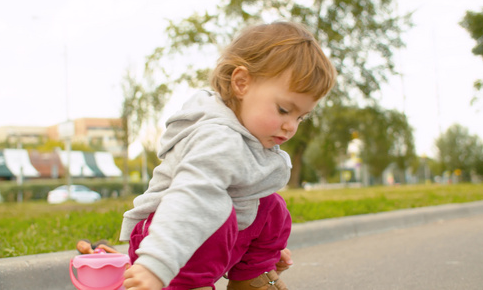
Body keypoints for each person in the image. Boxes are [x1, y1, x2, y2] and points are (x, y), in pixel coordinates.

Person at [120, 21, 336, 290]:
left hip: (210, 241)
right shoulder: (218, 137)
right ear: (241, 83)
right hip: (166, 239)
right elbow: (192, 197)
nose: (290, 126)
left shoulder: (252, 139)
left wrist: (260, 251)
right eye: (283, 110)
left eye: (300, 116)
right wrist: (155, 265)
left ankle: (250, 278)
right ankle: (185, 286)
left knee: (272, 207)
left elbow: (245, 207)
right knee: (216, 205)